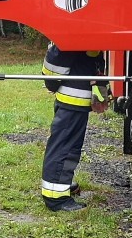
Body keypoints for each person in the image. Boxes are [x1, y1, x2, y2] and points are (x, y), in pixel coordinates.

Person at [40, 45, 110, 212]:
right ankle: (55, 198)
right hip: (71, 101)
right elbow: (54, 64)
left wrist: (100, 87)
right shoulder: (72, 35)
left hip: (76, 102)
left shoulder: (83, 33)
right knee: (63, 149)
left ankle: (61, 184)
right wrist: (52, 84)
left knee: (69, 149)